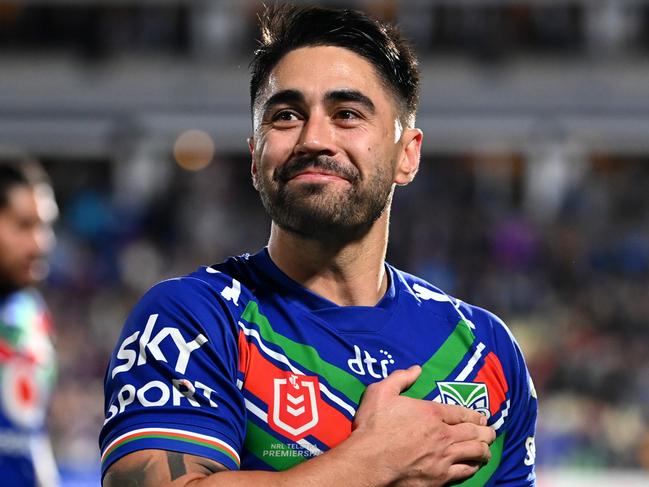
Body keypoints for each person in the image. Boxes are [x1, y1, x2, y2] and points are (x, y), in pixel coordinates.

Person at [100, 5, 537, 486]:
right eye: (285, 115)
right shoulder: (193, 319)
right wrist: (373, 460)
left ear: (407, 155)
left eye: (347, 114)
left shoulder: (484, 350)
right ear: (255, 156)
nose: (313, 138)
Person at [0, 158, 59, 486]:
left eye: (46, 226)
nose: (41, 243)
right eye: (24, 226)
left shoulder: (31, 313)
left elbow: (31, 432)